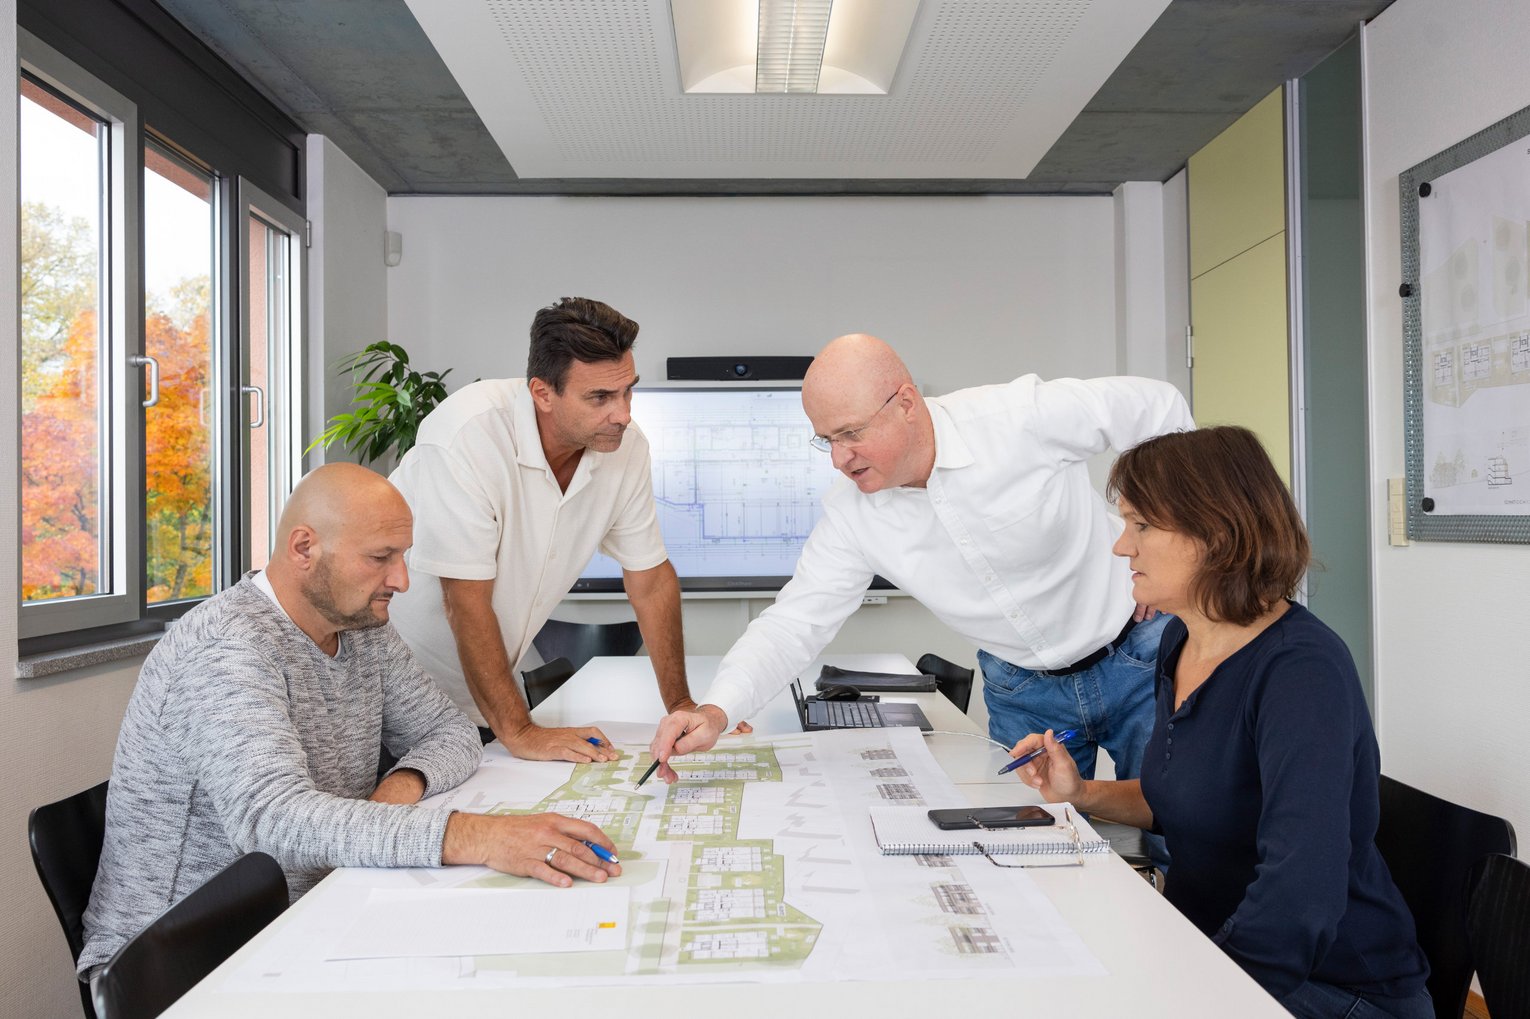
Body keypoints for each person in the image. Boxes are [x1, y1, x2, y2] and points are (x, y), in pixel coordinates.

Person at [78, 464, 621, 978]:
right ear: (304, 549)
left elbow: (450, 731)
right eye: (381, 557)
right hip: (183, 956)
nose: (402, 580)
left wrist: (400, 787)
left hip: (315, 902)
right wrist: (477, 836)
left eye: (404, 556)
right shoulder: (225, 647)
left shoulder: (361, 626)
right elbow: (276, 821)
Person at [649, 332, 1194, 789]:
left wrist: (1163, 550)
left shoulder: (1017, 418)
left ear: (906, 403)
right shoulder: (851, 513)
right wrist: (716, 710)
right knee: (1039, 844)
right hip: (1021, 690)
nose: (840, 459)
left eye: (852, 434)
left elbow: (1162, 409)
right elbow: (795, 622)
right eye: (826, 441)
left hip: (1139, 656)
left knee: (1175, 829)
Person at [1011, 427, 1431, 1019]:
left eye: (1142, 525)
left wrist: (1194, 995)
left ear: (1218, 533)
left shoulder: (1301, 672)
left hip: (1325, 985)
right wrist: (1080, 793)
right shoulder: (1180, 640)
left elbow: (1300, 894)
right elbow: (1186, 798)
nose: (1121, 548)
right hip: (1211, 949)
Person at [389, 297, 701, 765]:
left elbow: (650, 579)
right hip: (391, 690)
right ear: (542, 392)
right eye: (599, 398)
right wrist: (520, 731)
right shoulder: (467, 435)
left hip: (484, 697)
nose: (623, 414)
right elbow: (465, 602)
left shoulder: (626, 448)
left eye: (628, 391)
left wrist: (681, 706)